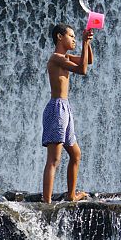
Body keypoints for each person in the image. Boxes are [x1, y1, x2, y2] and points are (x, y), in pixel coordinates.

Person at [41, 22, 94, 203]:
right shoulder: (56, 58)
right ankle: (46, 203)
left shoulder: (65, 57)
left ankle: (71, 195)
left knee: (76, 154)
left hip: (65, 108)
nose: (74, 39)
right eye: (71, 36)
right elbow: (82, 70)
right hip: (56, 108)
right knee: (54, 159)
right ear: (59, 37)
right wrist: (85, 43)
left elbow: (88, 61)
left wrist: (88, 41)